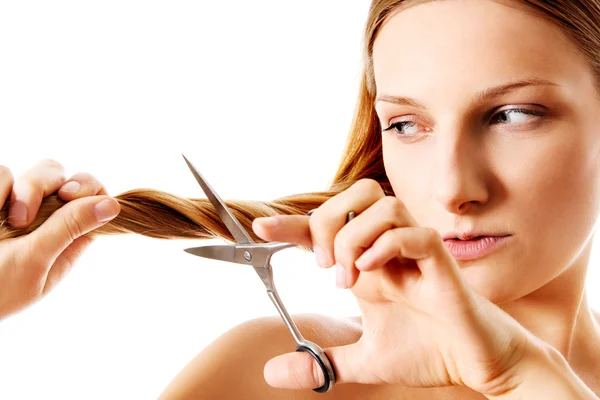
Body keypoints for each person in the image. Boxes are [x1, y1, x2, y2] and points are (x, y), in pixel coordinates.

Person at [1, 0, 600, 398]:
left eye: (514, 115)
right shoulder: (277, 376)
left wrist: (523, 379)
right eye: (407, 125)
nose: (453, 188)